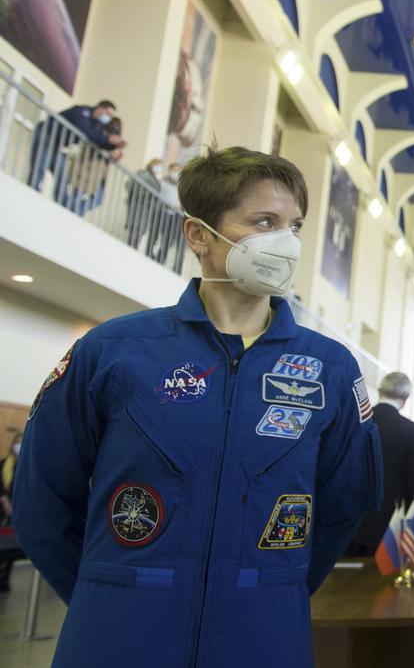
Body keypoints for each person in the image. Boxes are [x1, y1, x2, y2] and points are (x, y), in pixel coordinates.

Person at [13, 146, 383, 667]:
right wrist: (111, 590)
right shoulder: (115, 351)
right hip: (117, 638)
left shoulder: (331, 368)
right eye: (263, 222)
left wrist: (268, 587)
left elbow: (342, 507)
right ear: (199, 235)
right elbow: (42, 499)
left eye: (294, 227)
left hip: (262, 635)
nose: (286, 245)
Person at [348, 372, 414, 556]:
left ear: (379, 391)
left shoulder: (356, 424)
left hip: (351, 523)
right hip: (392, 526)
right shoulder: (412, 431)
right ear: (406, 397)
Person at [0, 432, 20, 592]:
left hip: (17, 510)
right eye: (17, 442)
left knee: (12, 548)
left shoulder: (26, 464)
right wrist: (5, 502)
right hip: (3, 509)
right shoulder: (5, 463)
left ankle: (4, 579)